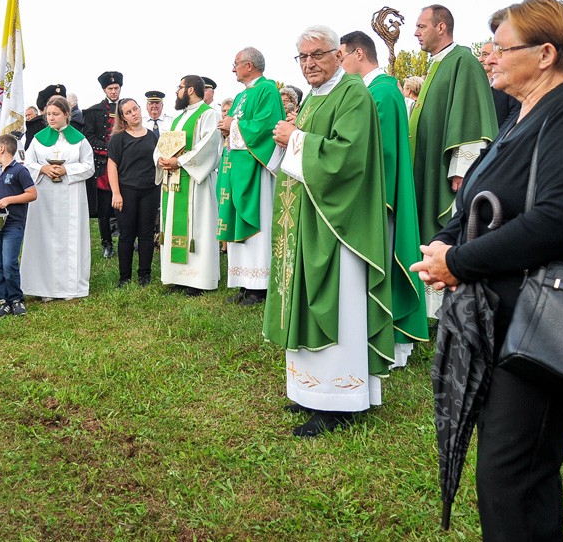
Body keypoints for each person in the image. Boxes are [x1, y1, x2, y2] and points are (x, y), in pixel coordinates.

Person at [411, 0, 563, 540]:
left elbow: (561, 218)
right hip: (502, 315)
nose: (491, 58)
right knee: (506, 474)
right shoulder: (519, 115)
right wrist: (442, 244)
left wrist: (459, 261)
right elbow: (476, 201)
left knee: (514, 476)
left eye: (502, 49)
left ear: (546, 53)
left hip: (547, 322)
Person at [265, 24, 392, 436]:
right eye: (302, 57)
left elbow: (347, 158)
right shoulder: (314, 99)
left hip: (339, 226)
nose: (309, 64)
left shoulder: (352, 93)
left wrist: (295, 137)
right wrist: (290, 137)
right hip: (308, 220)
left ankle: (339, 398)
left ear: (339, 54)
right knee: (307, 301)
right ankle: (309, 391)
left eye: (317, 55)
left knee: (339, 306)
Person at [340, 30, 428, 366]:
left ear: (358, 54)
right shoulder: (373, 91)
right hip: (372, 196)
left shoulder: (383, 93)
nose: (340, 64)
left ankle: (389, 341)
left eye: (342, 56)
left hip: (380, 199)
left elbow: (379, 153)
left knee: (386, 266)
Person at [409, 4, 497, 315]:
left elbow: (469, 117)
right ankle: (431, 305)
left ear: (441, 27)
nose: (416, 32)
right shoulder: (437, 64)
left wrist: (462, 169)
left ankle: (449, 304)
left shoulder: (463, 61)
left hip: (448, 173)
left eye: (421, 26)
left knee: (447, 229)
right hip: (428, 166)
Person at [218, 47, 286, 305]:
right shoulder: (241, 96)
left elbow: (265, 127)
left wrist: (232, 126)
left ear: (249, 65)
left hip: (256, 170)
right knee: (237, 224)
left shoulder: (267, 89)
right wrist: (227, 129)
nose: (233, 69)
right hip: (237, 169)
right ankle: (244, 284)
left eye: (235, 63)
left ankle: (260, 286)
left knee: (259, 225)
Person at [21, 96, 93, 300]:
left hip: (71, 196)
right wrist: (43, 168)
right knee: (44, 237)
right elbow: (27, 163)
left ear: (66, 115)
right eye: (48, 114)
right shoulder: (38, 139)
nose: (50, 118)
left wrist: (66, 170)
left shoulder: (79, 139)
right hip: (44, 196)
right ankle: (44, 288)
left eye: (55, 114)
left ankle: (70, 287)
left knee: (70, 238)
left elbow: (89, 166)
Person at [157, 75, 222, 296]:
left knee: (198, 227)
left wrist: (180, 161)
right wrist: (160, 159)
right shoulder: (178, 119)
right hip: (174, 182)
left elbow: (210, 146)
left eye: (180, 87)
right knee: (173, 225)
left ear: (191, 90)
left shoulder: (209, 114)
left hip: (196, 184)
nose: (177, 91)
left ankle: (198, 280)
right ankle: (177, 276)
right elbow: (163, 144)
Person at [107, 98, 159, 287]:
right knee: (127, 234)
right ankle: (124, 276)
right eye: (128, 112)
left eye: (135, 109)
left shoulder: (153, 136)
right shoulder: (119, 138)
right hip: (127, 191)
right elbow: (112, 166)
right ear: (123, 118)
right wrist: (116, 193)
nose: (133, 114)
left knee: (146, 234)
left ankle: (144, 274)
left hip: (150, 190)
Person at [0, 133, 37, 316]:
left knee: (9, 263)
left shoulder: (19, 171)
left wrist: (9, 200)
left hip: (13, 223)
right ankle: (3, 300)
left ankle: (16, 299)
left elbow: (32, 194)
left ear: (2, 148)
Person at [83, 72, 122, 258]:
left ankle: (127, 239)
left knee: (126, 206)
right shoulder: (94, 111)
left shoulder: (128, 108)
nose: (114, 91)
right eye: (110, 89)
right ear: (104, 90)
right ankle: (107, 243)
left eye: (116, 88)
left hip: (125, 165)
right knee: (105, 209)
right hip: (104, 167)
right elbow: (90, 138)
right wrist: (111, 150)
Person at [481, 22, 521, 128]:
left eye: (485, 54)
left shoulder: (509, 84)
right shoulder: (481, 87)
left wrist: (497, 140)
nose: (481, 59)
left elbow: (514, 115)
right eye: (480, 55)